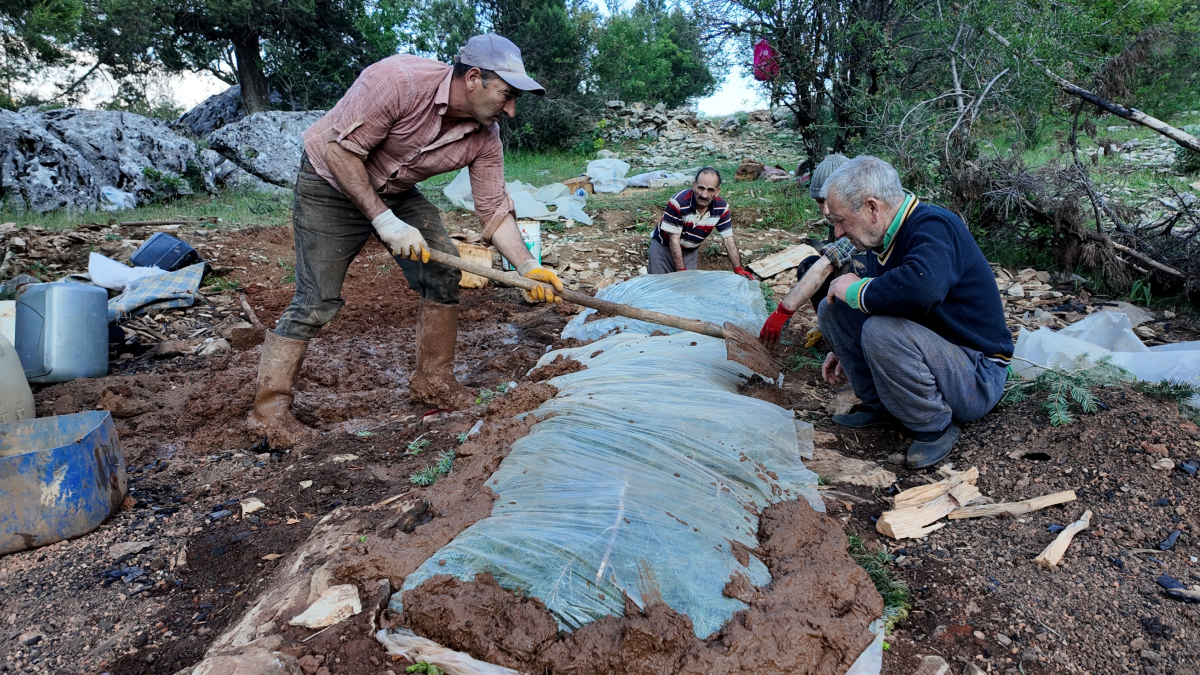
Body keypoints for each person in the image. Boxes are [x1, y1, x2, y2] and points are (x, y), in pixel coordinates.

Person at [248, 34, 564, 447]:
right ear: (473, 78)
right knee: (316, 301)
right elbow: (339, 152)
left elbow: (493, 210)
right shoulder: (398, 81)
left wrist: (528, 267)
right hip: (329, 181)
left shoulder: (486, 136)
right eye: (506, 95)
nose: (512, 109)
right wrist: (385, 222)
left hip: (396, 190)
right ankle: (268, 415)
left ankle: (433, 382)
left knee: (443, 272)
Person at [817, 156, 1012, 468]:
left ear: (871, 208)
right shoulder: (882, 240)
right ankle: (881, 406)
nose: (838, 232)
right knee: (833, 311)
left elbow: (922, 291)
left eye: (841, 220)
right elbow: (891, 302)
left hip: (977, 375)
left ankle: (933, 425)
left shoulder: (934, 225)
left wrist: (855, 290)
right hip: (940, 355)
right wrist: (845, 343)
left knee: (879, 330)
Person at [759, 153, 861, 347]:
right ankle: (832, 331)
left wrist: (785, 309)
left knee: (846, 270)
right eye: (820, 202)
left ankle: (856, 340)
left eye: (829, 201)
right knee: (808, 265)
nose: (825, 211)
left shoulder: (863, 218)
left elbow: (828, 262)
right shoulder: (838, 218)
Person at [648, 167, 754, 279]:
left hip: (689, 251)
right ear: (694, 186)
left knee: (687, 291)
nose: (704, 195)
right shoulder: (678, 202)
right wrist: (681, 271)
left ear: (717, 191)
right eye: (701, 188)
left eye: (710, 190)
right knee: (659, 286)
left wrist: (738, 268)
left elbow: (728, 240)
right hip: (663, 248)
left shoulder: (722, 208)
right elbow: (674, 239)